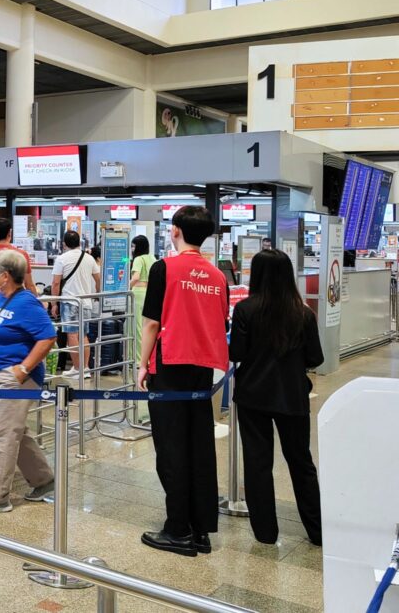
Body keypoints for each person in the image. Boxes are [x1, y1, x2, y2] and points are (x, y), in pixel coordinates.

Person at [137, 206, 229, 558]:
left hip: (170, 364)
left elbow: (151, 324)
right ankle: (200, 529)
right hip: (203, 369)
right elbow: (220, 319)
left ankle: (177, 530)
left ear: (175, 231)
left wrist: (143, 365)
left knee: (171, 448)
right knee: (199, 446)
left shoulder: (165, 268)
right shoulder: (218, 275)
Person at [230, 249, 323, 547]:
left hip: (253, 396)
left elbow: (237, 354)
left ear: (256, 274)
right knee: (301, 462)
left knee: (258, 463)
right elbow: (316, 358)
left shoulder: (245, 309)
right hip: (293, 396)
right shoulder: (303, 312)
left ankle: (266, 533)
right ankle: (318, 531)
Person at [0, 250, 56, 514]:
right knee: (15, 430)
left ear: (6, 276)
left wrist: (23, 369)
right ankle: (44, 480)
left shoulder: (27, 302)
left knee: (2, 434)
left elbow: (48, 336)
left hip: (15, 380)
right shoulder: (3, 299)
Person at [51, 231, 101, 380]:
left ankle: (77, 369)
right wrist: (96, 293)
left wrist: (54, 303)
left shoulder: (61, 259)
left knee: (72, 335)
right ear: (80, 242)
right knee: (83, 335)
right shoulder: (89, 258)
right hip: (85, 301)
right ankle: (84, 368)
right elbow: (98, 279)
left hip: (69, 301)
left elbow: (55, 283)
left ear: (64, 243)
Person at [0, 219, 36, 304]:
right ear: (9, 233)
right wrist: (37, 302)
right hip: (15, 303)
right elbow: (29, 284)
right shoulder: (21, 254)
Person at [129, 235, 157, 365]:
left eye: (133, 246)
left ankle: (138, 360)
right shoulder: (152, 258)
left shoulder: (138, 259)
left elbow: (136, 277)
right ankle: (148, 359)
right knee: (147, 327)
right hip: (150, 293)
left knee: (136, 327)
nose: (132, 249)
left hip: (138, 294)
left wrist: (126, 287)